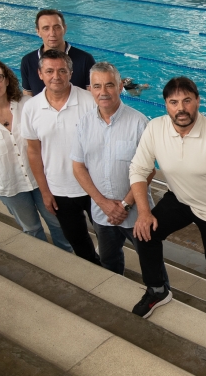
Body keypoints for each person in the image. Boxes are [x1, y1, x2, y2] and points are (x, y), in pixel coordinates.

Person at [129, 76, 206, 319]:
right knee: (145, 234)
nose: (181, 108)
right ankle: (157, 290)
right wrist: (144, 212)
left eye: (187, 100)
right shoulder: (155, 128)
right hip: (180, 197)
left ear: (198, 101)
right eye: (174, 102)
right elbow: (139, 169)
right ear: (166, 104)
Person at [0, 58, 72, 253]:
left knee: (58, 224)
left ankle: (67, 257)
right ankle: (48, 263)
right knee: (31, 229)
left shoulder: (28, 105)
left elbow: (46, 141)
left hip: (41, 180)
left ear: (7, 79)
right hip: (10, 185)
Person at [70, 62, 156, 275]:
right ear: (90, 90)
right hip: (102, 214)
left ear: (120, 87)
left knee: (151, 262)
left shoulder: (139, 123)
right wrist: (104, 204)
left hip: (136, 213)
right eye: (97, 86)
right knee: (109, 261)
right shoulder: (84, 124)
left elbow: (149, 170)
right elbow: (78, 167)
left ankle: (158, 292)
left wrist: (125, 205)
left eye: (109, 85)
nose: (103, 92)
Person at [21, 49, 100, 265]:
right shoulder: (31, 108)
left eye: (61, 70)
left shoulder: (90, 102)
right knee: (78, 240)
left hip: (95, 186)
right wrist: (45, 191)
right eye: (49, 71)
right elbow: (34, 151)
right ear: (40, 74)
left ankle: (113, 271)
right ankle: (95, 271)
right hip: (60, 190)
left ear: (71, 73)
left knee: (109, 236)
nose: (56, 76)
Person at [20, 9, 96, 96]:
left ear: (64, 29)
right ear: (38, 32)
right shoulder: (28, 61)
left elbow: (92, 97)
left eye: (57, 27)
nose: (52, 33)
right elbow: (28, 97)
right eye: (46, 28)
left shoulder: (85, 59)